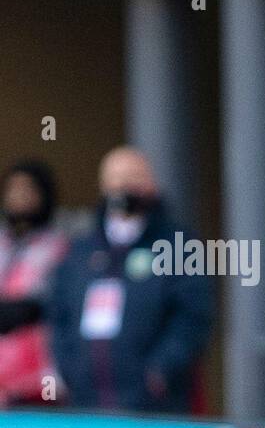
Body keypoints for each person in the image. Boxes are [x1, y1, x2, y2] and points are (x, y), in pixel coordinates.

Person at [46, 147, 214, 414]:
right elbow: (58, 314)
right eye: (117, 178)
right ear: (103, 185)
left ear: (152, 184)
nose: (125, 186)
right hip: (87, 401)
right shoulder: (81, 250)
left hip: (154, 405)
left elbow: (192, 317)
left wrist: (160, 371)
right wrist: (69, 369)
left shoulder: (178, 245)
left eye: (134, 177)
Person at [0, 161, 67, 407]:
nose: (19, 197)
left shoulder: (59, 247)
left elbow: (59, 305)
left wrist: (29, 309)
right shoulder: (2, 244)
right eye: (13, 190)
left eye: (28, 190)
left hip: (41, 383)